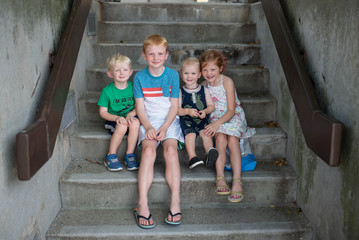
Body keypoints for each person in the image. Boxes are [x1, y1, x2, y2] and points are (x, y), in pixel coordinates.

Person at [133, 35, 184, 228]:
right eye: (151, 54)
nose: (156, 57)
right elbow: (140, 107)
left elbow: (173, 107)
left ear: (166, 55)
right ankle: (142, 204)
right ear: (144, 55)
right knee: (148, 151)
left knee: (170, 151)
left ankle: (175, 201)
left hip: (169, 121)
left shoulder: (172, 75)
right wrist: (148, 127)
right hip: (148, 121)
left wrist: (164, 128)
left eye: (160, 54)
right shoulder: (139, 77)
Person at [199, 49, 256, 203]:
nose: (209, 73)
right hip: (216, 118)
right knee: (221, 139)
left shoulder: (227, 82)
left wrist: (217, 124)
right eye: (205, 69)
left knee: (232, 140)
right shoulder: (203, 86)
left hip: (233, 116)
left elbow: (231, 110)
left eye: (213, 69)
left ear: (220, 68)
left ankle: (237, 180)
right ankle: (220, 178)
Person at [97, 54, 140, 171]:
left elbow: (139, 105)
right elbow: (103, 112)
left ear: (131, 72)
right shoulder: (107, 91)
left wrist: (132, 113)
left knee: (135, 123)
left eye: (125, 69)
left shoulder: (134, 87)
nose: (122, 73)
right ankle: (110, 155)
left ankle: (130, 155)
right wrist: (116, 118)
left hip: (129, 117)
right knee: (121, 127)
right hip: (114, 120)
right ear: (110, 74)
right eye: (117, 70)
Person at [178, 57, 218, 169]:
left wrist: (205, 112)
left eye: (193, 73)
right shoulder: (180, 92)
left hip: (201, 118)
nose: (189, 76)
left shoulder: (204, 89)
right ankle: (192, 158)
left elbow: (211, 106)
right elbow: (177, 110)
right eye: (186, 73)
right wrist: (188, 111)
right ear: (181, 74)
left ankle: (210, 153)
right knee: (190, 135)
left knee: (206, 133)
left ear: (199, 74)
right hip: (187, 120)